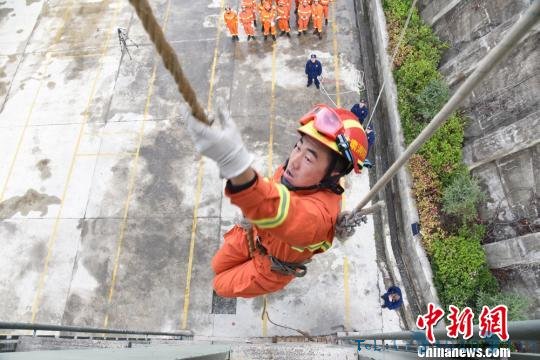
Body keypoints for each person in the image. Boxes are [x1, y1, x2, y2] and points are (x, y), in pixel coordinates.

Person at [185, 104, 369, 298]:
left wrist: (235, 164)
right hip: (253, 234)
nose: (294, 161)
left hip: (270, 267)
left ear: (334, 173)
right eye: (298, 147)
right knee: (217, 265)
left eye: (308, 158)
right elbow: (271, 192)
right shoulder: (293, 174)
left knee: (220, 285)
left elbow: (281, 211)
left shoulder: (318, 218)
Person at [350, 101, 374, 168]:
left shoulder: (371, 136)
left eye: (368, 129)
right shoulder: (356, 105)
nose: (367, 130)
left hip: (365, 146)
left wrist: (357, 115)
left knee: (363, 154)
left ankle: (361, 163)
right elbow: (352, 110)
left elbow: (363, 117)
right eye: (360, 102)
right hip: (354, 120)